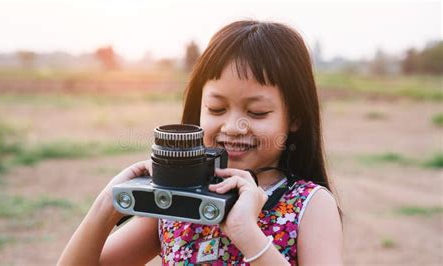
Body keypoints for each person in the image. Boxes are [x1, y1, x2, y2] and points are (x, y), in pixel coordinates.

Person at [58, 20, 343, 266]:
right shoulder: (175, 200)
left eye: (256, 112)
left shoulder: (309, 205)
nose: (232, 127)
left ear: (294, 117)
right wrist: (106, 204)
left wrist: (246, 232)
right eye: (217, 109)